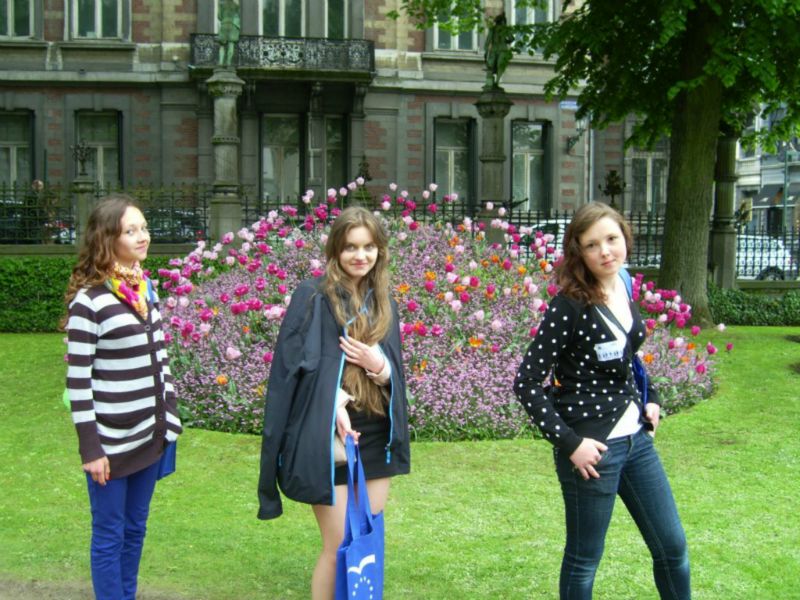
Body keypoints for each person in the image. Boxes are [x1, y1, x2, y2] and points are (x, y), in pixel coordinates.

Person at [513, 202, 690, 599]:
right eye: (592, 245)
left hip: (637, 442)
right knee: (584, 561)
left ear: (625, 237)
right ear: (578, 252)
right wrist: (571, 444)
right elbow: (526, 383)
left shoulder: (623, 284)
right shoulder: (569, 306)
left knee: (672, 548)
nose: (605, 251)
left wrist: (650, 397)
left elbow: (628, 357)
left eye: (611, 239)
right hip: (592, 452)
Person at [257, 206, 410, 600]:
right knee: (339, 542)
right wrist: (335, 404)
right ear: (335, 251)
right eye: (350, 247)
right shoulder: (313, 296)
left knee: (367, 539)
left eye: (368, 247)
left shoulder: (383, 299)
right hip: (329, 438)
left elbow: (395, 372)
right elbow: (294, 368)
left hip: (375, 433)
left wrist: (380, 367)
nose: (360, 256)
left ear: (380, 250)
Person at [64, 195, 182, 600]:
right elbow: (78, 382)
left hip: (149, 435)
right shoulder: (90, 301)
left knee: (135, 528)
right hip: (110, 446)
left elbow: (160, 357)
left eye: (144, 228)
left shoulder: (144, 288)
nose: (142, 236)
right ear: (107, 239)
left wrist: (169, 416)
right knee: (109, 533)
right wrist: (91, 448)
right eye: (130, 231)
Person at [217, 0, 240, 67]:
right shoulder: (236, 6)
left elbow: (219, 16)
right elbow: (238, 17)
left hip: (224, 24)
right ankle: (228, 62)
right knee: (231, 44)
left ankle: (220, 62)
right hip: (232, 26)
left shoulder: (222, 5)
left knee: (222, 45)